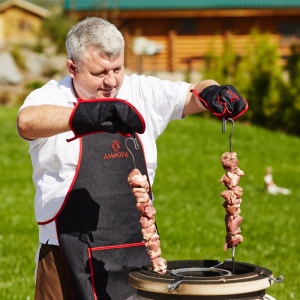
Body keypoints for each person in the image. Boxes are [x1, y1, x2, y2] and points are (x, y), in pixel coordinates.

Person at [17, 17, 248, 300]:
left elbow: (192, 92)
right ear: (72, 68)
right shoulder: (51, 96)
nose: (111, 81)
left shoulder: (141, 91)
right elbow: (26, 122)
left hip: (137, 247)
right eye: (99, 73)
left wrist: (213, 92)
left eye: (117, 69)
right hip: (63, 250)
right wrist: (87, 116)